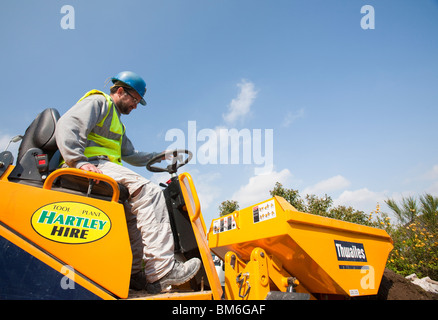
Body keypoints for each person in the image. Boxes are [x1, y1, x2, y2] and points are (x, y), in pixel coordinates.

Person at [55, 71, 201, 293]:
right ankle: (162, 270)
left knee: (132, 216)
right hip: (91, 165)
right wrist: (78, 161)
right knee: (149, 192)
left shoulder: (118, 125)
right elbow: (68, 124)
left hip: (102, 168)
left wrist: (159, 155)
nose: (135, 106)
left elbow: (131, 155)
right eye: (134, 99)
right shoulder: (98, 102)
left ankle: (134, 275)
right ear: (120, 91)